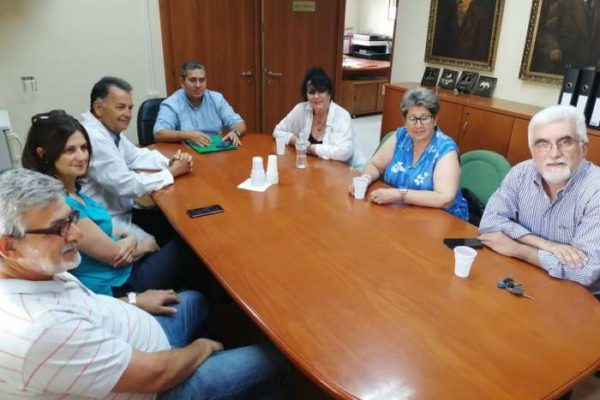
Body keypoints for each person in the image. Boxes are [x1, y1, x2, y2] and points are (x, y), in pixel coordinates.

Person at [0, 168, 289, 399]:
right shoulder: (40, 330)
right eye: (58, 228)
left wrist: (134, 301)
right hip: (157, 388)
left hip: (139, 340)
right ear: (8, 246)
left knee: (195, 300)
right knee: (278, 360)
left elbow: (83, 305)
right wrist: (202, 349)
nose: (76, 234)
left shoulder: (32, 266)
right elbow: (156, 375)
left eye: (71, 219)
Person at [21, 110, 204, 300]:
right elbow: (116, 257)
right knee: (194, 244)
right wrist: (143, 244)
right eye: (70, 150)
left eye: (84, 147)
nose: (82, 156)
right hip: (119, 285)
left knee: (184, 240)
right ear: (43, 154)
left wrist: (130, 240)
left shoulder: (73, 191)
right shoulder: (61, 206)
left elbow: (110, 231)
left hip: (125, 268)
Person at [479, 105, 600, 295]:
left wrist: (519, 249)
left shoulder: (596, 190)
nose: (554, 154)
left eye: (565, 142)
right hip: (522, 274)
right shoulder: (521, 172)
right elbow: (489, 223)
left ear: (583, 148)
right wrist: (547, 245)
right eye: (543, 144)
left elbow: (585, 271)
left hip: (576, 295)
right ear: (532, 151)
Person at [80, 76, 193, 245]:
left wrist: (169, 162)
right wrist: (171, 172)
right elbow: (129, 186)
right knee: (183, 240)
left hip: (122, 210)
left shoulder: (108, 130)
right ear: (98, 108)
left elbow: (135, 156)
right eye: (120, 107)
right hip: (108, 224)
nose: (128, 114)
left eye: (130, 108)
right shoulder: (95, 138)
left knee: (180, 226)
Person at [349, 87, 468, 220]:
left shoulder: (445, 149)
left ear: (435, 120)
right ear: (404, 120)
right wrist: (365, 179)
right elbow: (375, 165)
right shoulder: (401, 136)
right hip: (400, 213)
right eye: (412, 118)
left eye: (425, 118)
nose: (418, 125)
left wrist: (400, 195)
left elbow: (444, 198)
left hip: (440, 220)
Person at [154, 61, 246, 147]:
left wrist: (235, 132)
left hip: (215, 149)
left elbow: (239, 123)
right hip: (186, 151)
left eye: (202, 80)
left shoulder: (216, 99)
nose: (198, 85)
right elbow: (159, 133)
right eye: (193, 80)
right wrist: (187, 135)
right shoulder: (172, 103)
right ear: (182, 82)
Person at [273, 67, 354, 162]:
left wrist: (313, 148)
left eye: (321, 91)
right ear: (306, 94)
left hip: (334, 168)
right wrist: (296, 140)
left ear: (330, 93)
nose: (316, 96)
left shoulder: (342, 116)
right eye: (311, 92)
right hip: (306, 166)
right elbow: (277, 131)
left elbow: (345, 152)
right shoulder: (301, 109)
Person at [533, 0, 600, 75]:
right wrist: (553, 47)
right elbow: (546, 31)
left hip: (592, 70)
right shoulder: (564, 3)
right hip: (565, 64)